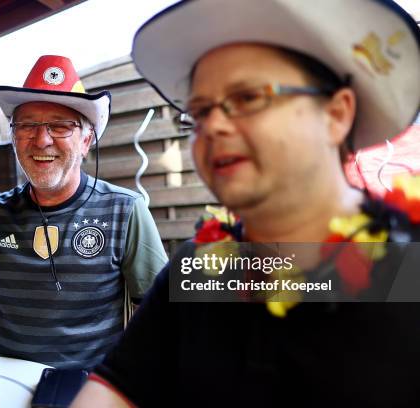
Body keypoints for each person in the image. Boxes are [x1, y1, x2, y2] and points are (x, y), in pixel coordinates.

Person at [72, 0, 420, 406]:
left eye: (249, 96)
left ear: (337, 114)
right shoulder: (197, 274)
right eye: (199, 111)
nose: (213, 125)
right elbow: (116, 390)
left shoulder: (408, 267)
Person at [0, 55, 168, 369]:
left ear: (86, 141)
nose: (41, 140)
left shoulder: (125, 210)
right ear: (15, 137)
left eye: (60, 126)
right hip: (14, 389)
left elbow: (159, 313)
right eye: (28, 126)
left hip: (93, 390)